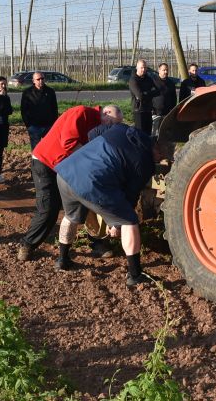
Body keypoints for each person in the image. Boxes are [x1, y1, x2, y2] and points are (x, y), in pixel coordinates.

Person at [17, 104, 123, 262]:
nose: (112, 127)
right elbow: (69, 143)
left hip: (68, 166)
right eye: (112, 123)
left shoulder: (100, 126)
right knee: (49, 207)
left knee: (91, 199)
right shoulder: (82, 112)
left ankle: (96, 242)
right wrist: (92, 159)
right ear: (106, 113)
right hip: (46, 162)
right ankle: (28, 244)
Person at [54, 123, 155, 287]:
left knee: (70, 216)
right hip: (91, 182)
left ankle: (62, 260)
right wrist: (116, 224)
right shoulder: (145, 162)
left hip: (67, 171)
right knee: (130, 221)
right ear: (155, 150)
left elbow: (94, 132)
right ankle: (135, 275)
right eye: (162, 155)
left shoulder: (120, 129)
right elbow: (130, 196)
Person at [20, 71, 58, 148]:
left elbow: (54, 108)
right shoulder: (27, 92)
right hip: (34, 126)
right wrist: (28, 124)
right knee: (36, 149)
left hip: (48, 126)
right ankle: (35, 161)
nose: (41, 81)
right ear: (33, 81)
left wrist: (54, 123)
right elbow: (23, 109)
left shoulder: (50, 91)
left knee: (49, 148)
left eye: (42, 78)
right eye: (38, 79)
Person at [127, 60, 156, 135]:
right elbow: (140, 96)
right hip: (139, 110)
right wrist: (149, 92)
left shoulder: (149, 79)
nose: (143, 69)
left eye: (145, 67)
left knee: (148, 133)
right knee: (140, 134)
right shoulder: (133, 80)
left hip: (148, 109)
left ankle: (148, 147)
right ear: (137, 68)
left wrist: (145, 93)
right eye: (141, 67)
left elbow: (157, 91)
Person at [150, 63, 177, 137]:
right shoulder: (153, 81)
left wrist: (173, 110)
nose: (166, 72)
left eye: (167, 70)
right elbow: (149, 97)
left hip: (167, 114)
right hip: (155, 113)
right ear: (159, 70)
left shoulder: (171, 83)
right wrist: (151, 109)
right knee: (154, 135)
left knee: (165, 135)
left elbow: (174, 97)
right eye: (164, 70)